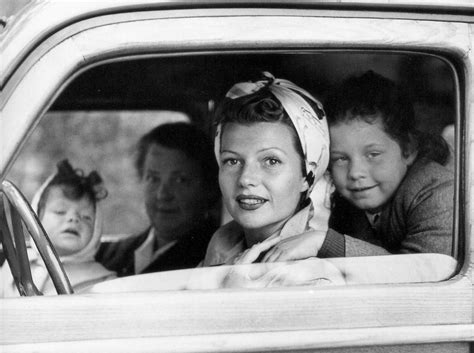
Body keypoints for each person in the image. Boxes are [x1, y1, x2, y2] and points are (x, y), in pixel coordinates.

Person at [262, 70, 454, 259]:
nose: (355, 173)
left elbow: (428, 272)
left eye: (373, 154)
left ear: (408, 149)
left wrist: (325, 242)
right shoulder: (348, 206)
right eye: (341, 158)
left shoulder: (437, 191)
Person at [202, 71, 332, 266]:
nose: (246, 178)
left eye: (271, 161)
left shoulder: (315, 271)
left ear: (307, 175)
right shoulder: (222, 242)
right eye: (232, 161)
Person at [96, 122, 220, 276]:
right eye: (153, 178)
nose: (163, 194)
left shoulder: (214, 258)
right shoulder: (111, 253)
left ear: (207, 187)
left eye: (180, 180)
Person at [2, 159, 116, 297]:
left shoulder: (105, 282)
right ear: (36, 215)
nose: (74, 219)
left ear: (96, 229)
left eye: (86, 217)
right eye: (60, 211)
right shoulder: (13, 265)